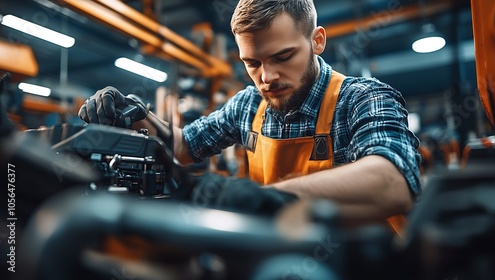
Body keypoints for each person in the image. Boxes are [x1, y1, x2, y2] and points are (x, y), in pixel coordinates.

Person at [78, 0, 421, 229]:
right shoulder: (246, 105)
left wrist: (263, 199)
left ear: (317, 41)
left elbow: (392, 182)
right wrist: (139, 116)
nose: (267, 78)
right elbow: (185, 145)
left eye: (283, 57)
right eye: (252, 63)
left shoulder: (362, 98)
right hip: (275, 254)